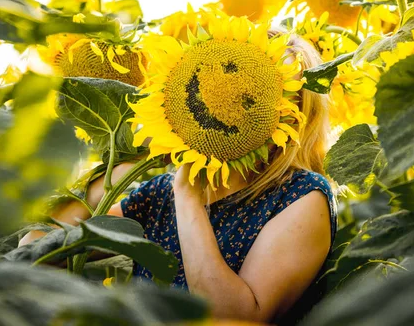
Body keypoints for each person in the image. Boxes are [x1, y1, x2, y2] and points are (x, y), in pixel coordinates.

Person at [20, 30, 338, 324]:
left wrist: (187, 198)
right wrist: (118, 169)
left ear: (298, 116)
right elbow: (37, 252)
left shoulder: (302, 195)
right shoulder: (159, 193)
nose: (243, 100)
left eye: (281, 93)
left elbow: (233, 317)